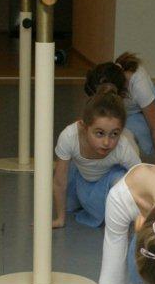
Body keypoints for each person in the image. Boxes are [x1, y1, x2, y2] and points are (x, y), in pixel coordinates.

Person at [52, 83, 141, 228]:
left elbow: (142, 178)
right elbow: (59, 181)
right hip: (81, 175)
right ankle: (87, 198)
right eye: (99, 133)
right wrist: (60, 219)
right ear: (83, 126)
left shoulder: (122, 146)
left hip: (109, 176)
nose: (107, 142)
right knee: (69, 205)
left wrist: (144, 217)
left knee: (121, 183)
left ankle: (108, 201)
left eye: (114, 134)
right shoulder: (69, 136)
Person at [84, 52, 155, 164]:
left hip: (145, 109)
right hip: (129, 108)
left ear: (121, 93)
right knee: (115, 132)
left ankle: (130, 163)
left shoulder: (140, 86)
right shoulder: (110, 75)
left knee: (126, 135)